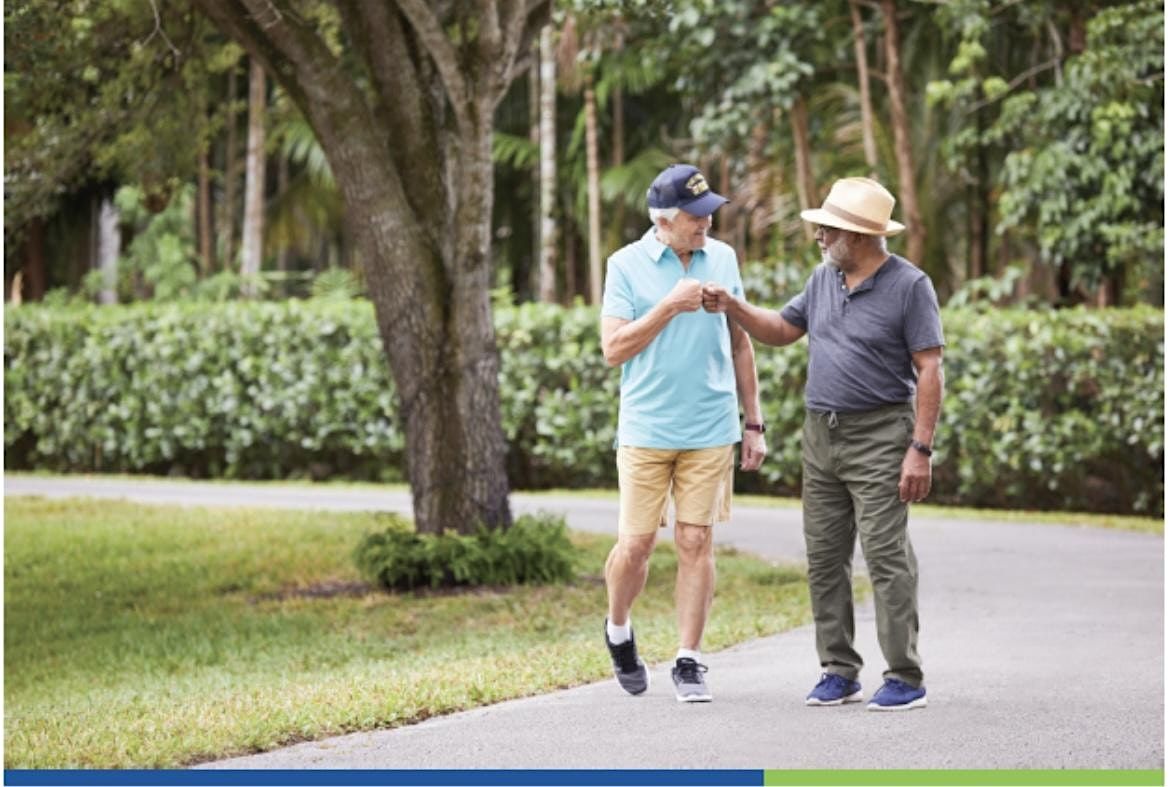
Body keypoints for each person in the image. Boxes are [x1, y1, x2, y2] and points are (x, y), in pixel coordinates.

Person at [701, 176, 944, 712]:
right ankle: (838, 669)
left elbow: (929, 369)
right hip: (822, 434)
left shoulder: (910, 286)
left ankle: (904, 676)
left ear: (857, 236)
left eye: (826, 228)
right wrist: (733, 307)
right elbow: (782, 330)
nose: (817, 235)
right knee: (824, 556)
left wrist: (919, 449)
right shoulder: (823, 278)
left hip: (882, 434)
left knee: (885, 556)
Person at [600, 163, 766, 703]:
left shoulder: (723, 258)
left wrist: (754, 422)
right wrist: (670, 305)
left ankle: (689, 659)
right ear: (665, 222)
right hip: (647, 428)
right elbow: (613, 349)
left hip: (710, 425)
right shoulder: (624, 265)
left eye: (709, 213)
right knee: (637, 544)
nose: (707, 224)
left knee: (695, 539)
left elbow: (741, 343)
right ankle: (619, 628)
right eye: (697, 217)